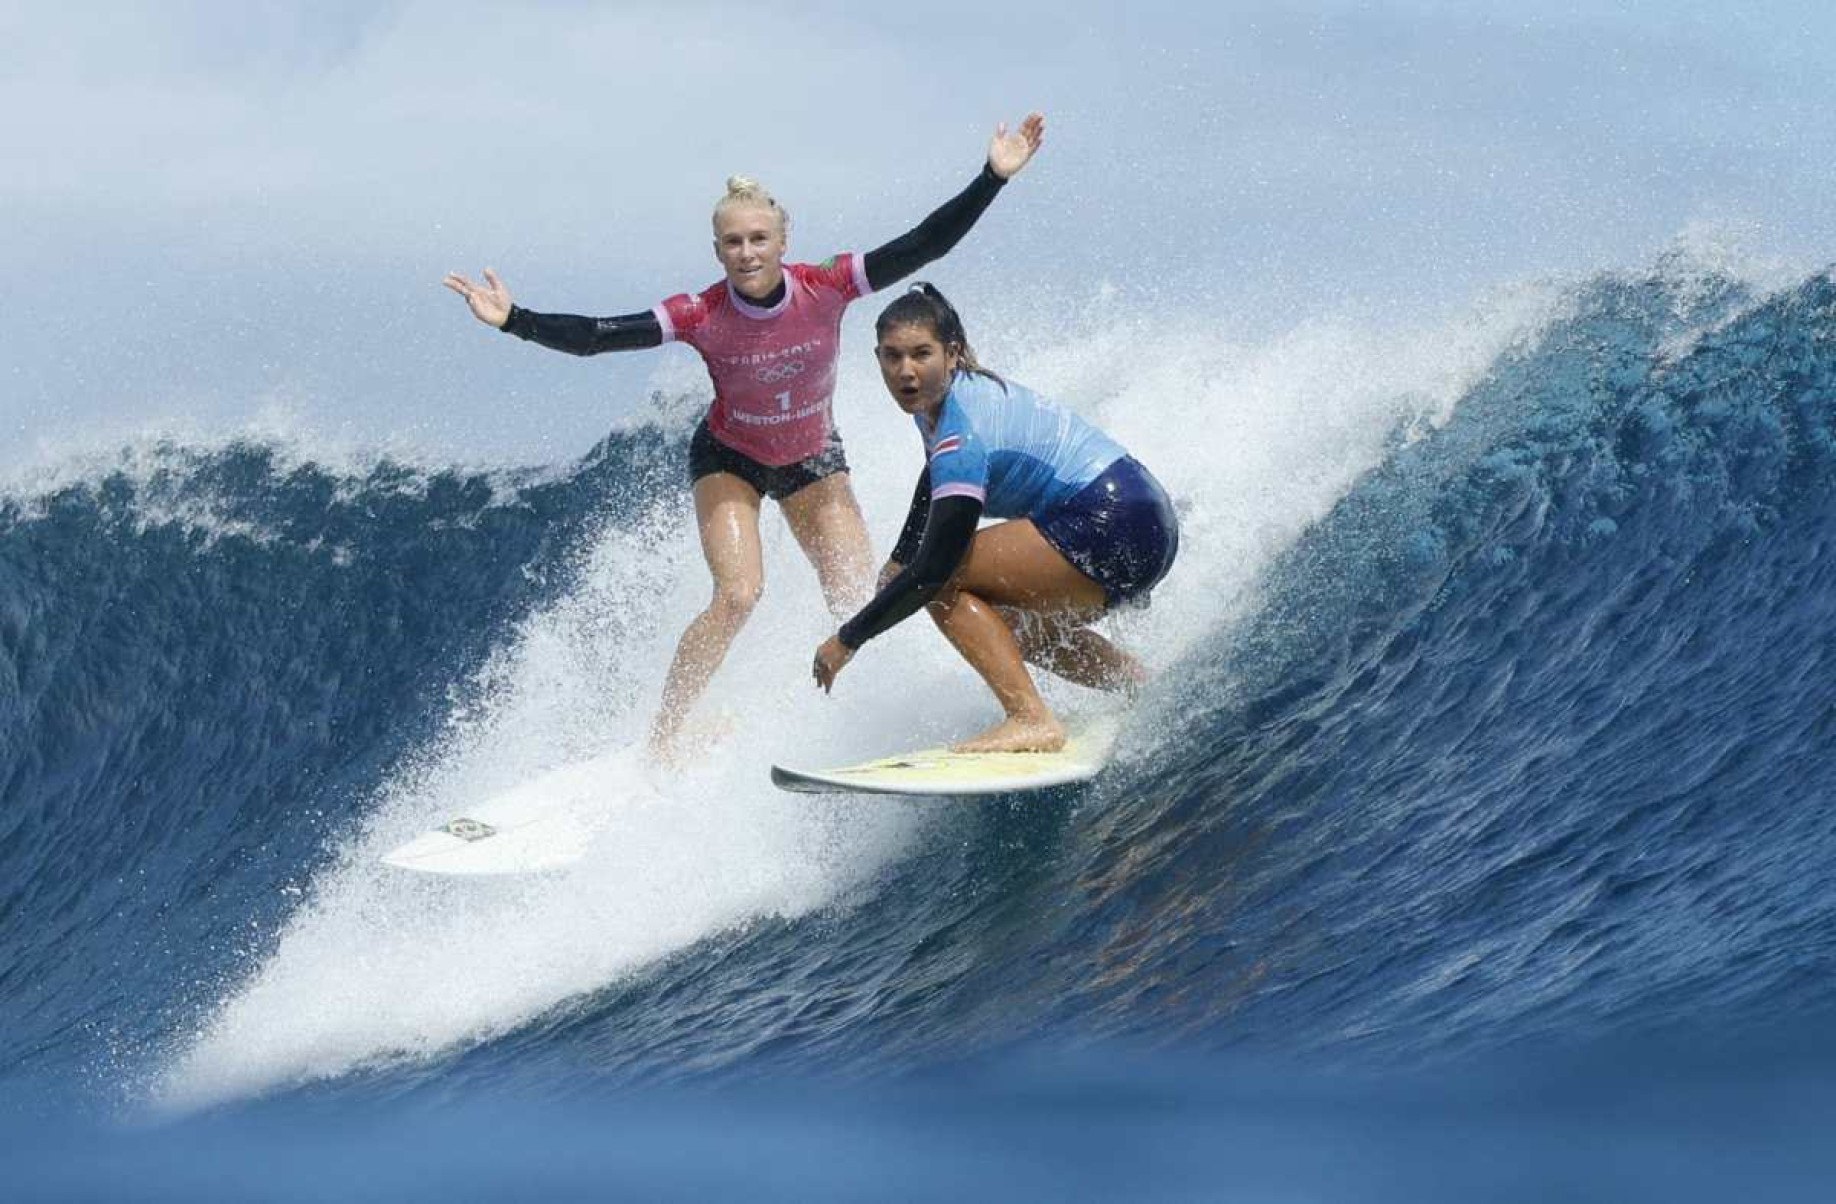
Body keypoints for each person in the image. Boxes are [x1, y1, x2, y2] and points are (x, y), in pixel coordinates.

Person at [444, 114, 1045, 761]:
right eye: (733, 242)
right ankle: (664, 739)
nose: (747, 252)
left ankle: (874, 723)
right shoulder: (699, 313)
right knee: (738, 594)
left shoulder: (828, 285)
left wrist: (993, 177)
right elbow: (597, 337)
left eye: (759, 238)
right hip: (730, 457)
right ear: (718, 251)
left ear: (784, 241)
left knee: (859, 600)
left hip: (813, 458)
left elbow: (925, 244)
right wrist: (514, 320)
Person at [811, 284, 1178, 754]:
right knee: (999, 626)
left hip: (1108, 521)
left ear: (951, 353)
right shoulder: (946, 399)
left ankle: (1030, 718)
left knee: (940, 584)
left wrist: (847, 639)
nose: (906, 371)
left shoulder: (962, 435)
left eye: (921, 354)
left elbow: (934, 569)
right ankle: (1133, 681)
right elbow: (933, 480)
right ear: (877, 357)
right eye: (892, 356)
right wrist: (901, 556)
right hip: (1148, 519)